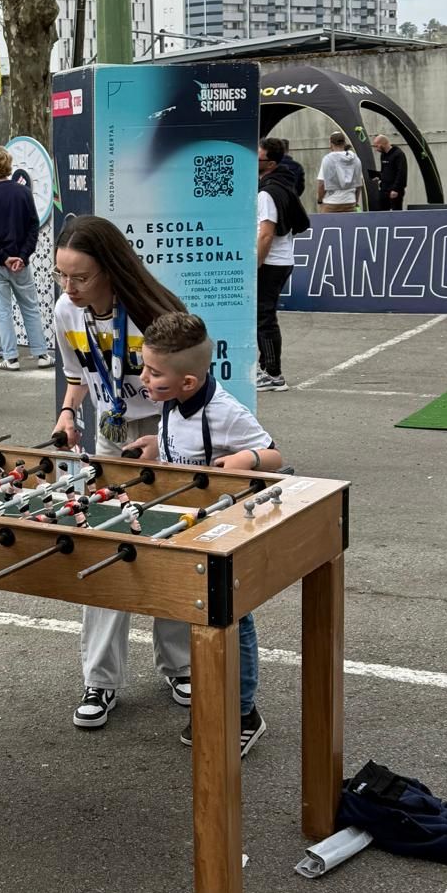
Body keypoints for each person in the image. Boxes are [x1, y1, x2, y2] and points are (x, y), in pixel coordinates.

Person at [50, 215, 185, 728]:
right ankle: (100, 679)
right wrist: (67, 413)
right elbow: (78, 373)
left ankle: (179, 664)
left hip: (164, 435)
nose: (70, 287)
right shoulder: (68, 310)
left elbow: (190, 389)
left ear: (111, 269)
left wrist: (167, 440)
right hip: (110, 437)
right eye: (62, 276)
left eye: (80, 277)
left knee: (169, 548)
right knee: (108, 550)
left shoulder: (157, 314)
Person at [133, 311, 282, 756]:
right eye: (145, 366)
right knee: (202, 621)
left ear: (189, 383)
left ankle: (243, 714)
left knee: (235, 622)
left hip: (226, 534)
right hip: (189, 528)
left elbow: (274, 455)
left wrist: (246, 461)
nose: (144, 377)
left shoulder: (226, 413)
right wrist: (154, 446)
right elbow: (180, 442)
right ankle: (212, 699)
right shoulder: (171, 401)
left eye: (153, 372)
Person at [0, 144, 51, 370]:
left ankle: (10, 357)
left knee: (3, 309)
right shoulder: (23, 193)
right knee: (30, 307)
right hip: (21, 260)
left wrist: (4, 257)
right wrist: (22, 256)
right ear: (9, 165)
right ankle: (42, 354)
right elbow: (32, 226)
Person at [257, 137, 309, 392]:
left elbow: (266, 233)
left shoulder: (268, 192)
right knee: (264, 314)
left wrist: (256, 262)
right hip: (281, 259)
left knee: (263, 316)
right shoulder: (283, 183)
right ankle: (266, 368)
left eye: (258, 158)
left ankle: (273, 373)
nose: (253, 161)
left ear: (271, 163)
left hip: (271, 262)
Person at [316, 132, 365, 213]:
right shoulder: (355, 159)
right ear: (344, 142)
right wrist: (355, 201)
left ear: (331, 143)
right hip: (350, 201)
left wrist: (320, 200)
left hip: (331, 202)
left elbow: (321, 183)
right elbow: (359, 183)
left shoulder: (328, 159)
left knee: (328, 225)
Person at [372, 133, 408, 210]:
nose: (376, 149)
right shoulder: (383, 155)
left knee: (395, 214)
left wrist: (395, 189)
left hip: (394, 190)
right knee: (381, 211)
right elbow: (385, 171)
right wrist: (379, 176)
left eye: (376, 146)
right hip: (384, 189)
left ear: (383, 144)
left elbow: (401, 173)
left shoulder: (398, 154)